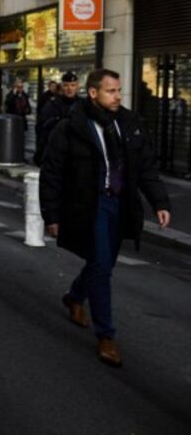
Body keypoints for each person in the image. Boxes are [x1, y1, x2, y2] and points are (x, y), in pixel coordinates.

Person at [39, 69, 170, 368]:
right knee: (100, 266)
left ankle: (74, 297)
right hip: (89, 205)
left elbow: (146, 166)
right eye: (111, 91)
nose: (118, 96)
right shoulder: (71, 127)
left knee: (104, 262)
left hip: (120, 204)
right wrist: (52, 214)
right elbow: (52, 173)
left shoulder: (129, 123)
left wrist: (159, 202)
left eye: (119, 90)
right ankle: (106, 336)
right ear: (94, 93)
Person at [35, 72, 79, 164]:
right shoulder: (53, 104)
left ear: (77, 87)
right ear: (62, 87)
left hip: (77, 153)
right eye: (66, 85)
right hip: (57, 151)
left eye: (72, 85)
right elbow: (42, 127)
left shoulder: (82, 104)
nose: (69, 88)